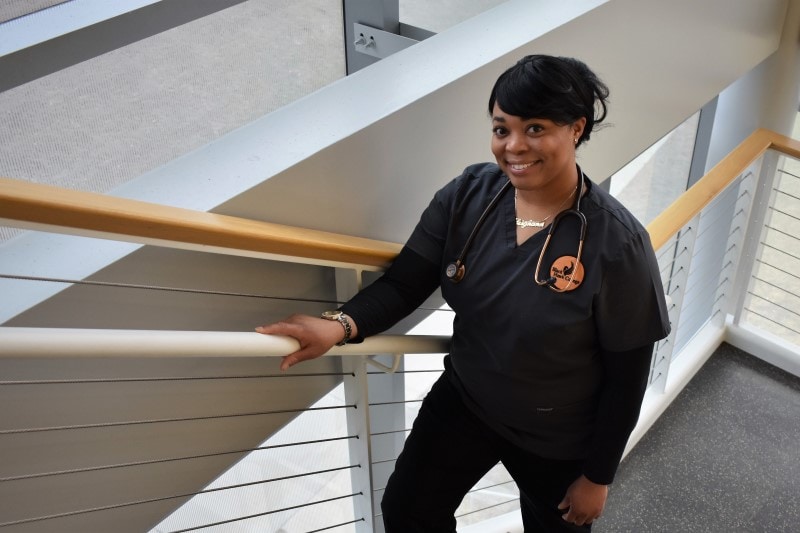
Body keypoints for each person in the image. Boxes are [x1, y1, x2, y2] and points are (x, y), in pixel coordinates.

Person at [256, 54, 671, 532]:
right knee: (408, 513)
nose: (514, 146)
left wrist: (598, 476)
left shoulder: (617, 242)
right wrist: (339, 325)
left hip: (559, 436)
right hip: (468, 401)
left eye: (535, 128)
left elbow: (628, 375)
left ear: (576, 128)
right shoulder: (469, 195)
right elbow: (405, 283)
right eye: (502, 129)